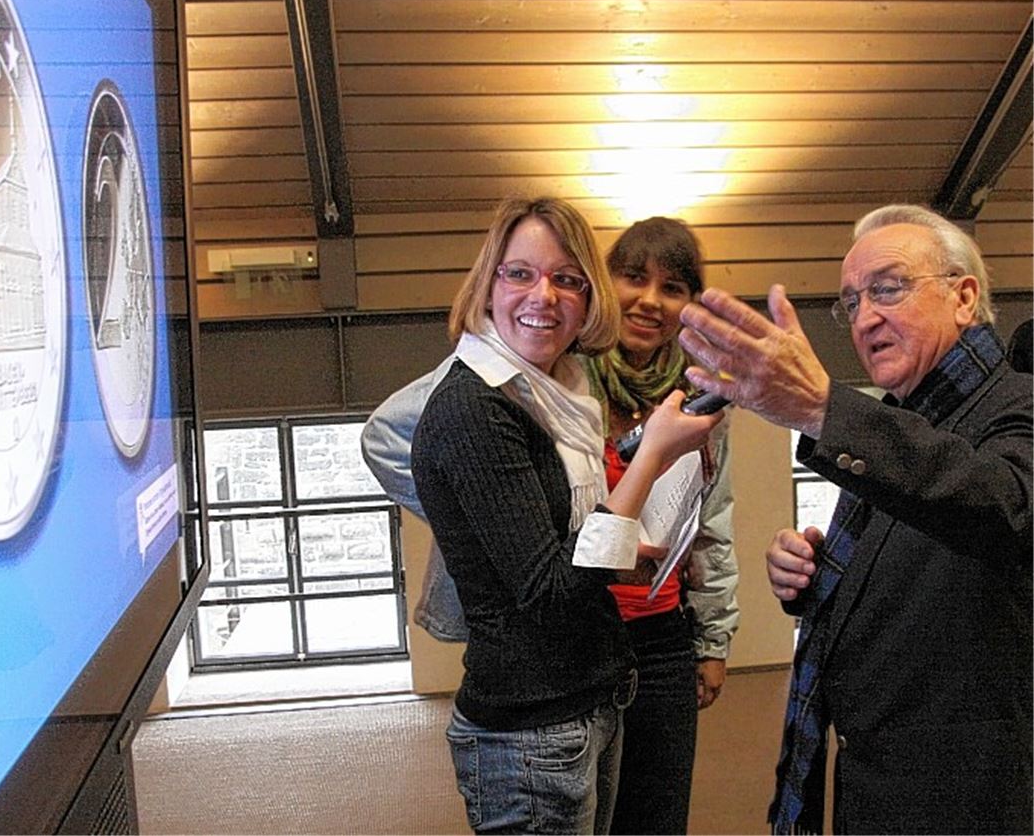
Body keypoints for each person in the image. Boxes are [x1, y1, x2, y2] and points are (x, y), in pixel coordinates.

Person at [367, 197, 722, 834]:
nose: (544, 296)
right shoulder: (480, 405)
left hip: (586, 697)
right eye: (520, 273)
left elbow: (577, 548)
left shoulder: (561, 389)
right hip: (532, 720)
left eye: (566, 279)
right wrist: (475, 518)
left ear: (588, 298)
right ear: (488, 283)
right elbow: (552, 592)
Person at [675, 203, 1032, 834]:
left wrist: (822, 409)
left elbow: (1000, 506)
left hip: (976, 792)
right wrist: (813, 582)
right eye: (852, 301)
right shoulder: (908, 418)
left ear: (964, 297)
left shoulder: (1015, 404)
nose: (865, 318)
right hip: (885, 781)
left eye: (887, 288)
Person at [584, 217, 739, 835]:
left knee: (656, 819)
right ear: (604, 281)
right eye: (633, 277)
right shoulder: (562, 379)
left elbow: (713, 524)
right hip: (581, 632)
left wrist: (713, 642)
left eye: (673, 287)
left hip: (663, 640)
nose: (650, 300)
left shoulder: (700, 397)